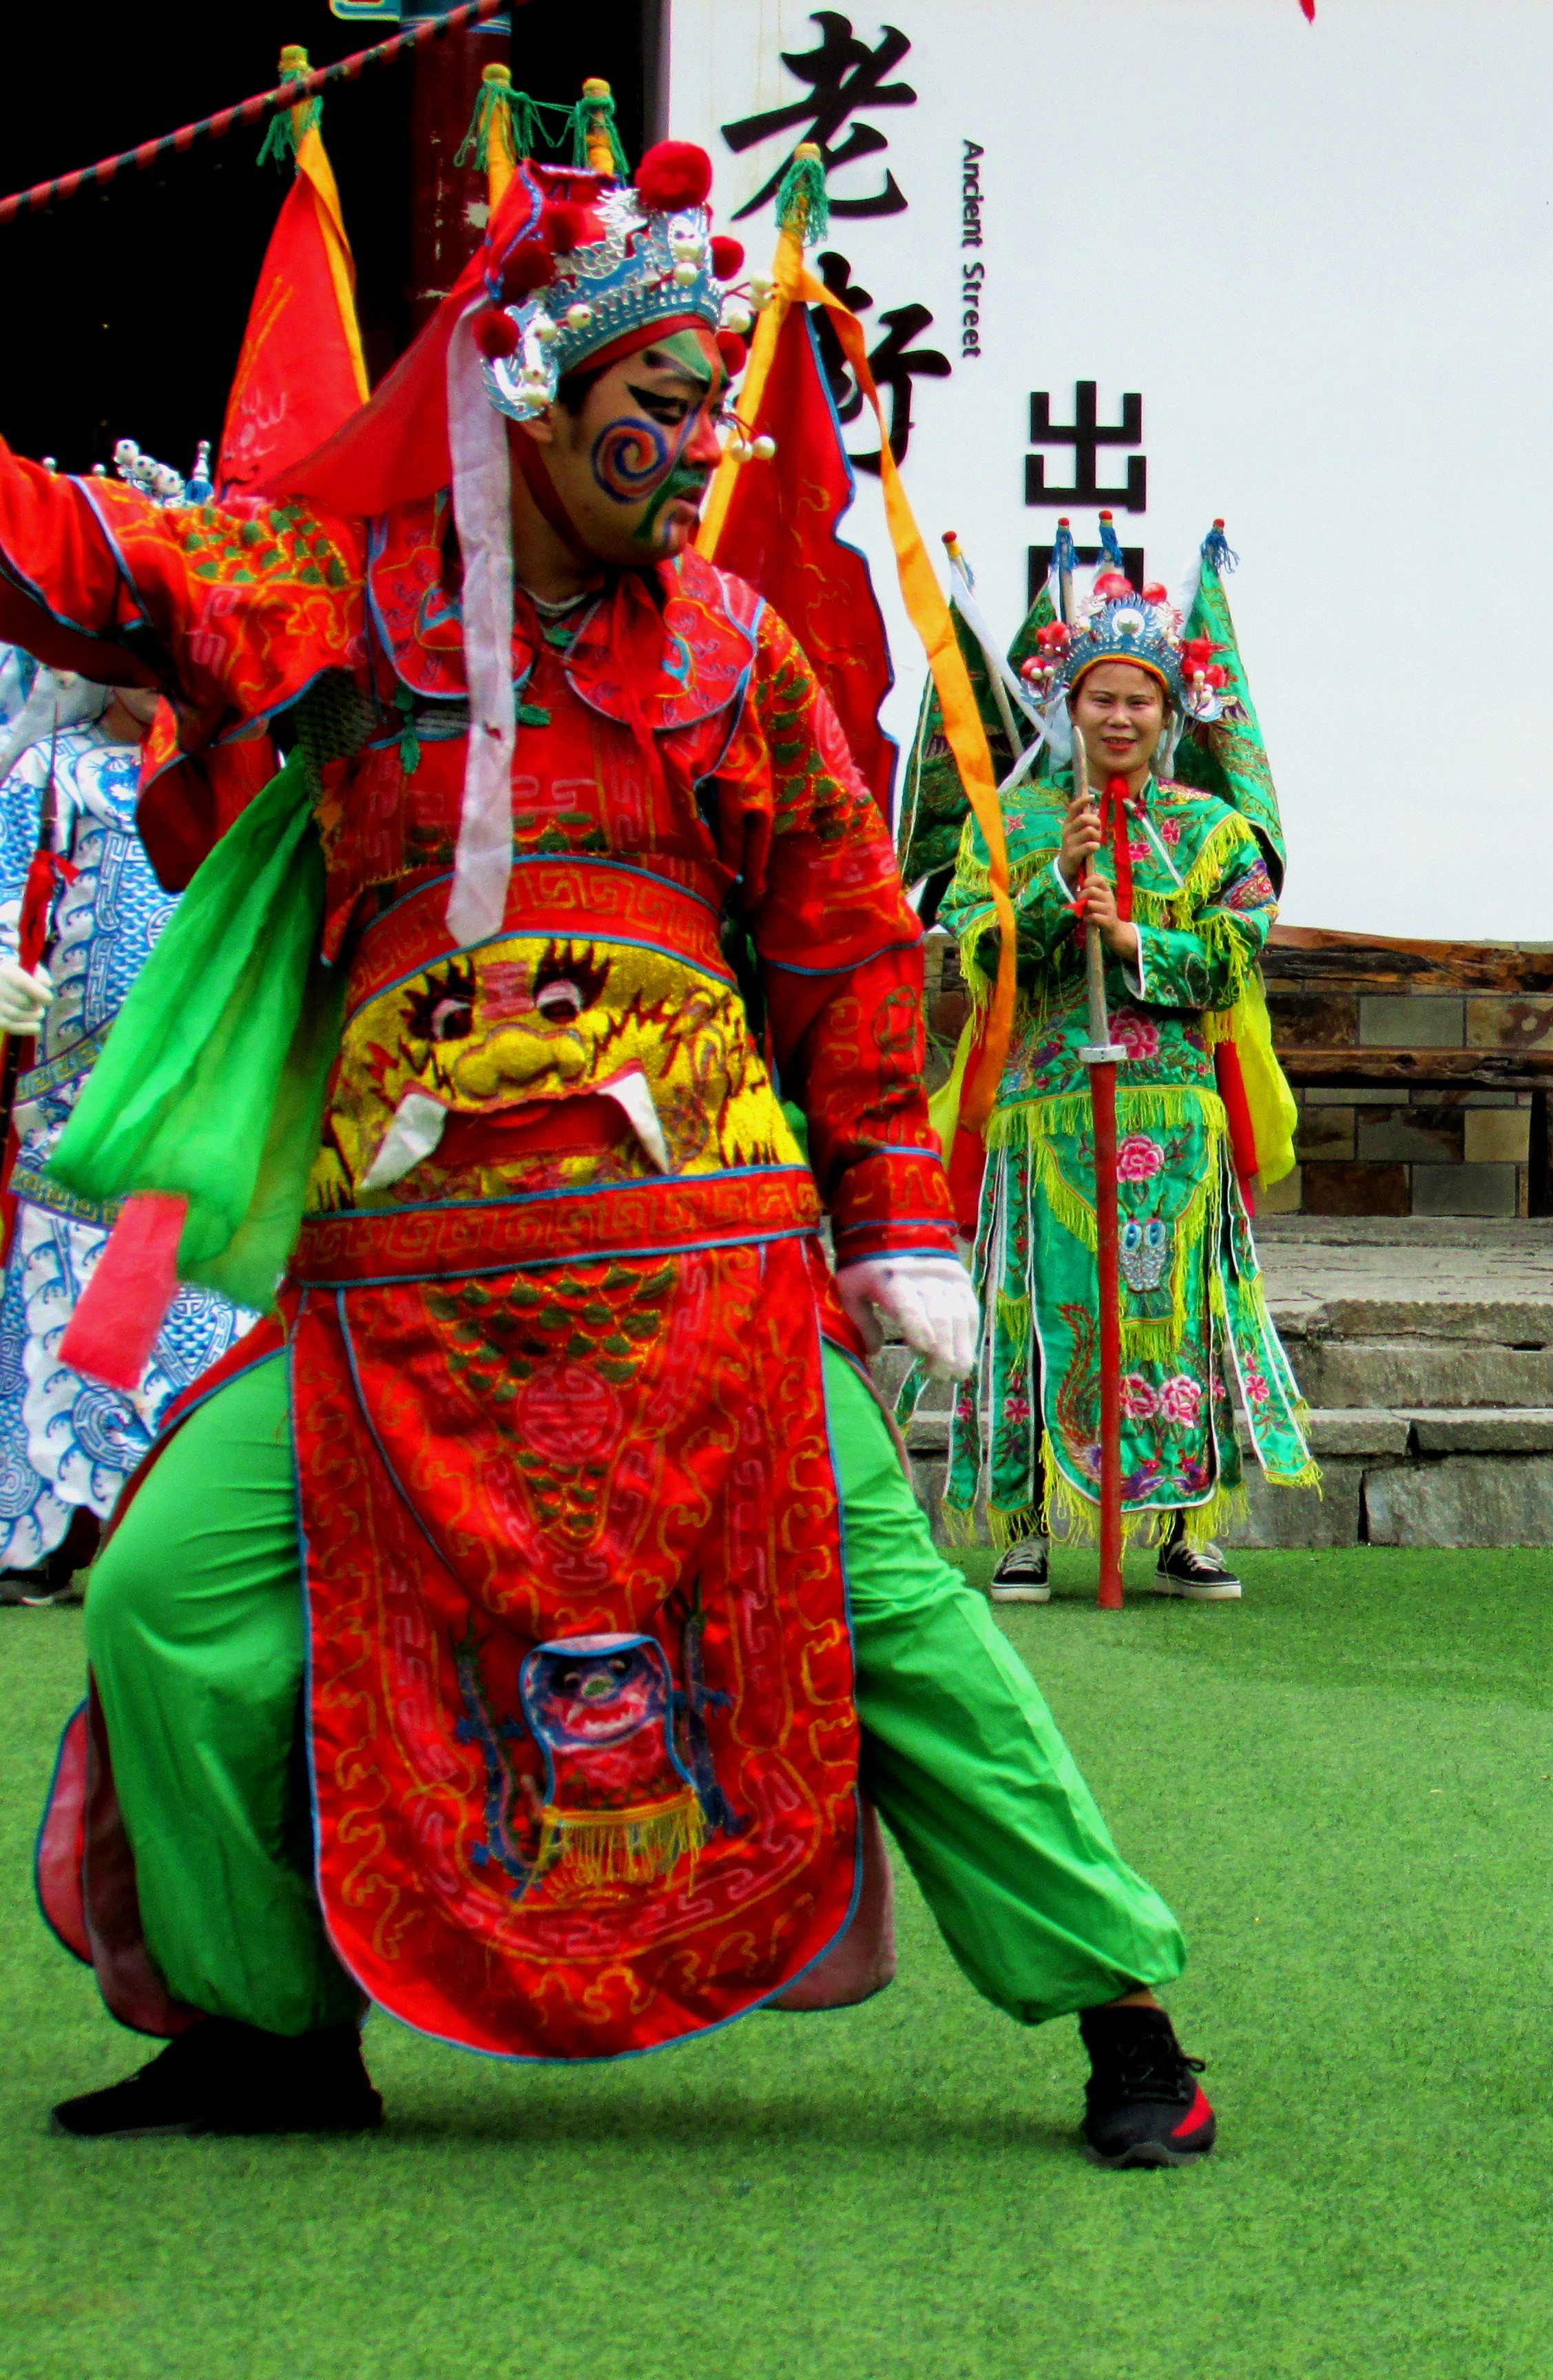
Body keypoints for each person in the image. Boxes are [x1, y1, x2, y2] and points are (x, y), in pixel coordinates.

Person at [10, 146, 1215, 2166]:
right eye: (644, 409)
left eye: (701, 409)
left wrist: (898, 1222)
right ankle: (265, 2035)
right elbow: (117, 571)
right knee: (160, 1602)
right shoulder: (355, 609)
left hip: (706, 1278)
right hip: (401, 1298)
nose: (684, 449)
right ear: (529, 408)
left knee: (895, 1617)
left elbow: (843, 946)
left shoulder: (735, 653)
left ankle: (1122, 2012)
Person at [935, 525, 1314, 1599]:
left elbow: (1242, 951)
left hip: (1175, 1118)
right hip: (1047, 1110)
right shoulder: (1012, 824)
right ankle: (1026, 1524)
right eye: (1101, 697)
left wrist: (1130, 945)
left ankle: (1181, 1525)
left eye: (1140, 699)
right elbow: (972, 946)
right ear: (1070, 707)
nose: (1119, 717)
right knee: (1038, 1307)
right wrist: (1050, 892)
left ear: (1170, 712)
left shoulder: (1213, 834)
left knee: (1173, 1313)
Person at [0, 604, 254, 1607]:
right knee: (48, 1299)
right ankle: (40, 1533)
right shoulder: (43, 773)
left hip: (197, 1097)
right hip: (68, 1093)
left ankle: (163, 1519)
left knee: (189, 1303)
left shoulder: (233, 776)